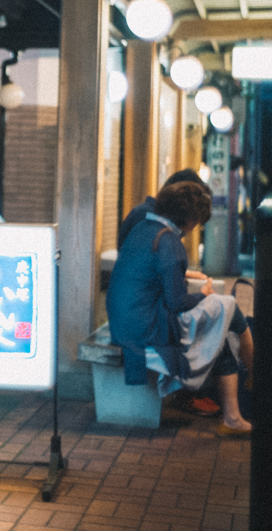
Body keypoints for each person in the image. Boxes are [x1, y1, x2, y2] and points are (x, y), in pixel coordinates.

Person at [107, 181, 255, 435]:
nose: (194, 227)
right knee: (226, 306)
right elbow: (176, 302)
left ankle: (234, 415)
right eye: (196, 220)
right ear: (189, 218)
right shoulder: (170, 243)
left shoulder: (143, 227)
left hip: (123, 322)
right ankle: (253, 376)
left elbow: (145, 270)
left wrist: (182, 273)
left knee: (222, 325)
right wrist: (203, 294)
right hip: (146, 330)